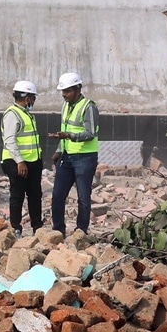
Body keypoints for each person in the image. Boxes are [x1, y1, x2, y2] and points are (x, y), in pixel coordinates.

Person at [49, 72, 99, 234]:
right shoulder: (66, 105)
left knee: (83, 197)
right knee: (58, 195)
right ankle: (58, 230)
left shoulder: (88, 106)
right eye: (63, 91)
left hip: (85, 158)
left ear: (78, 89)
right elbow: (65, 129)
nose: (64, 94)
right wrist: (59, 150)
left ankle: (81, 231)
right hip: (67, 156)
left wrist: (69, 136)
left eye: (67, 91)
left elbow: (90, 133)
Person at [2, 81, 44, 234]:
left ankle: (37, 227)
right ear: (27, 98)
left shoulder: (26, 114)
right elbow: (10, 140)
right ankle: (16, 228)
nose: (34, 101)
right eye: (33, 98)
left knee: (35, 195)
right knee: (17, 196)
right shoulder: (12, 114)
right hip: (16, 162)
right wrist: (20, 161)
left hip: (32, 161)